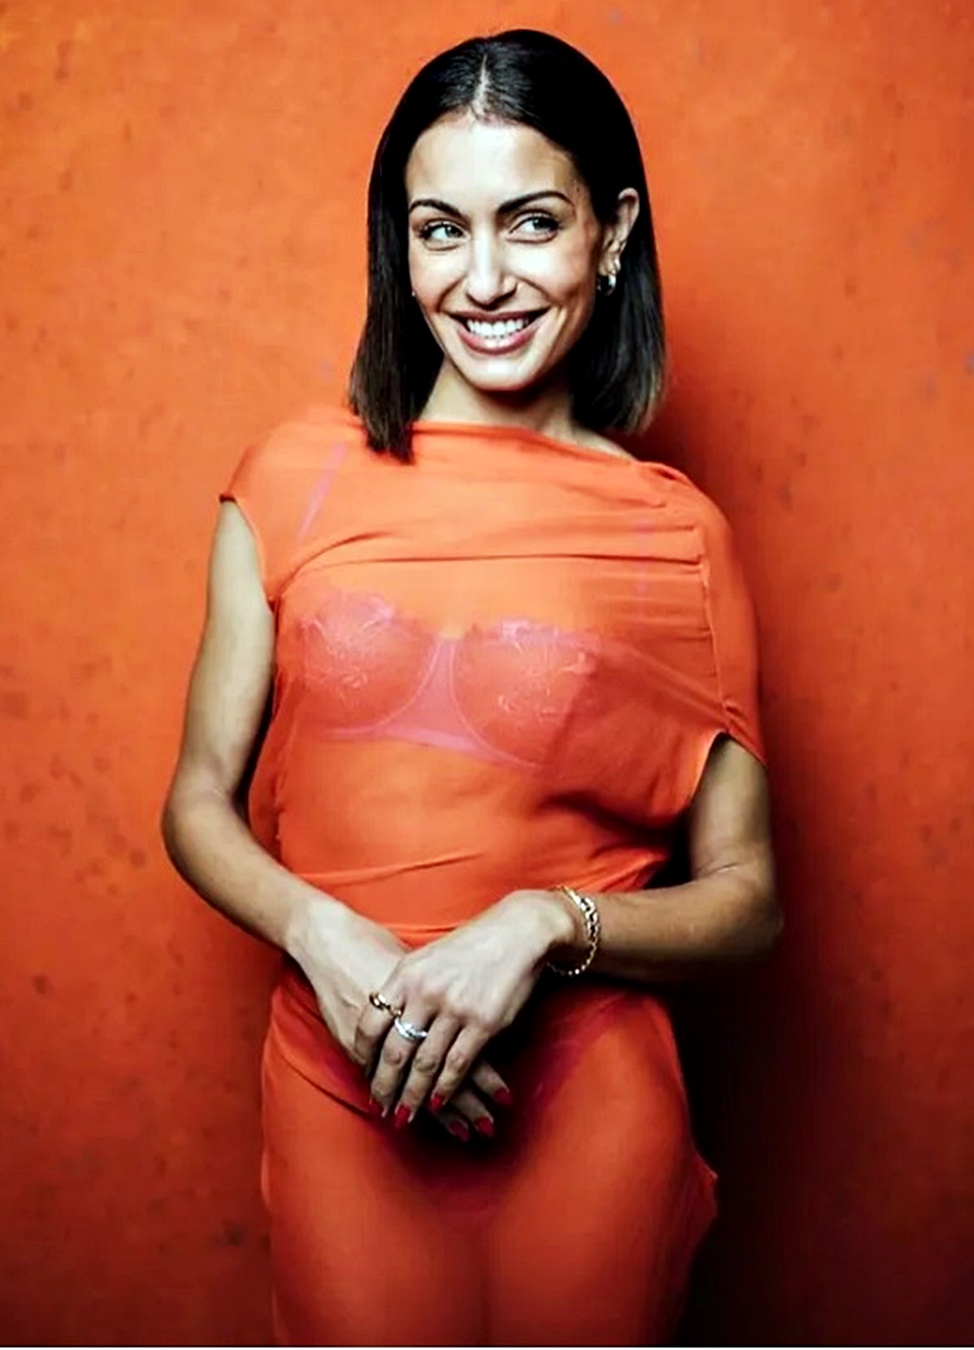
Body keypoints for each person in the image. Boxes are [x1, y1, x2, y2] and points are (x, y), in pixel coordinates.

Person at [162, 28, 781, 1346]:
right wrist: (322, 936)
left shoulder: (679, 535)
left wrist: (541, 926)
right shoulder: (292, 478)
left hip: (585, 1093)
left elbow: (748, 899)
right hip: (339, 1082)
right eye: (440, 229)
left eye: (531, 223)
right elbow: (197, 801)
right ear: (397, 245)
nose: (484, 278)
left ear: (612, 234)